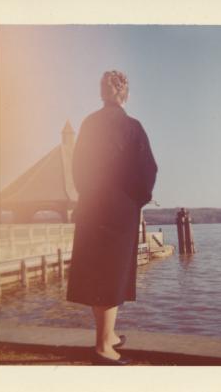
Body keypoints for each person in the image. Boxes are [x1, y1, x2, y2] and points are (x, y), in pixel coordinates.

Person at [66, 70, 158, 365]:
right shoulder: (133, 127)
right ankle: (103, 347)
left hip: (92, 205)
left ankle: (110, 334)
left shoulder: (89, 124)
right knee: (112, 274)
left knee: (99, 272)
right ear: (125, 94)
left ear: (102, 92)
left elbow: (78, 168)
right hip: (120, 208)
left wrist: (89, 194)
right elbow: (147, 172)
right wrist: (135, 200)